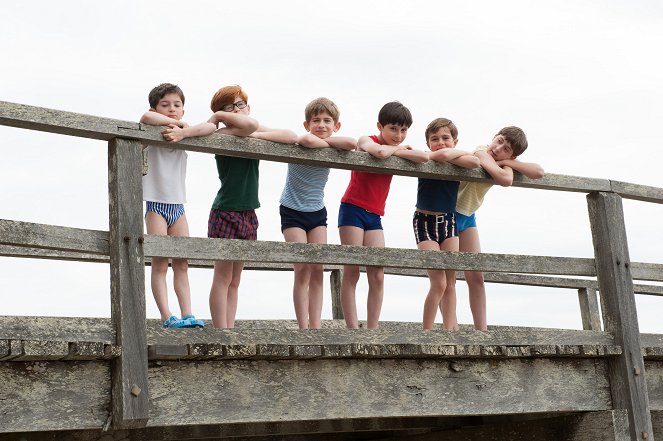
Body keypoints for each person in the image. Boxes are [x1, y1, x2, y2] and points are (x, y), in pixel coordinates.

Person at [166, 85, 297, 328]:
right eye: (228, 108)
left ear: (248, 107)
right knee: (223, 276)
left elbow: (291, 136)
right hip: (225, 211)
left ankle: (230, 327)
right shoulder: (223, 133)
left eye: (240, 105)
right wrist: (217, 118)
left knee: (236, 280)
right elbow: (247, 125)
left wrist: (254, 137)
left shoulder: (251, 131)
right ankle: (221, 330)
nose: (236, 110)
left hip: (248, 213)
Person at [441, 126, 544, 331]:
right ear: (493, 137)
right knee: (447, 276)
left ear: (512, 154)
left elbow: (539, 172)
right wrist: (506, 164)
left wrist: (508, 163)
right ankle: (451, 329)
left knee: (476, 276)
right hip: (449, 214)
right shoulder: (481, 151)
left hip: (468, 217)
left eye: (506, 149)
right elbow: (505, 179)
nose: (498, 148)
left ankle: (482, 331)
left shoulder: (502, 162)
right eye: (499, 140)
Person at [338, 101, 429, 329]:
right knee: (352, 271)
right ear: (380, 126)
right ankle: (352, 329)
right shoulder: (366, 140)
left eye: (403, 130)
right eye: (393, 129)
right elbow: (378, 152)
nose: (398, 135)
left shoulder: (397, 148)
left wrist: (399, 149)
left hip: (375, 215)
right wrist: (399, 150)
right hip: (352, 209)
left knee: (377, 274)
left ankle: (372, 329)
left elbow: (424, 157)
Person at [281, 97, 356, 329]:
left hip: (316, 212)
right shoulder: (302, 141)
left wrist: (328, 143)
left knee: (317, 269)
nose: (321, 125)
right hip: (292, 209)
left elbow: (352, 143)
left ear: (336, 126)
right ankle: (303, 326)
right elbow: (305, 140)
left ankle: (316, 326)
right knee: (301, 268)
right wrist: (327, 143)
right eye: (316, 121)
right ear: (307, 124)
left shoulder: (332, 144)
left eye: (327, 121)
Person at [140, 83, 205, 329]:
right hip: (156, 204)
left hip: (178, 206)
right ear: (156, 107)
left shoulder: (182, 134)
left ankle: (187, 313)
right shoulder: (151, 132)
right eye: (165, 105)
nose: (171, 109)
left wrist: (184, 130)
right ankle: (167, 316)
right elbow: (146, 116)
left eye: (177, 105)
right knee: (160, 263)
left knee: (182, 263)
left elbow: (208, 127)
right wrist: (178, 126)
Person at [416, 118, 480, 330]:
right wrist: (450, 154)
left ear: (455, 141)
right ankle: (426, 332)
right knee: (439, 282)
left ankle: (450, 330)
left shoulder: (457, 161)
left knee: (451, 282)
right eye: (434, 139)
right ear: (428, 144)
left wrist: (453, 154)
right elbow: (441, 155)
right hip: (425, 222)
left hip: (449, 222)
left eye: (446, 138)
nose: (440, 142)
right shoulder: (426, 159)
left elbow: (475, 162)